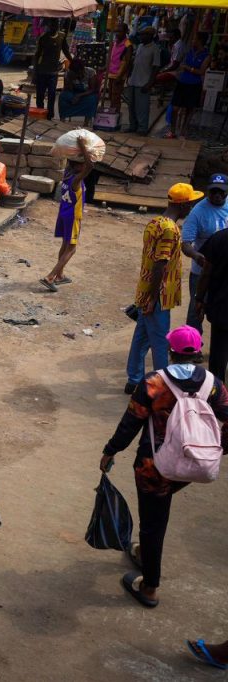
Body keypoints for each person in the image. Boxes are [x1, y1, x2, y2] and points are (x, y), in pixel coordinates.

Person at [101, 325, 228, 609]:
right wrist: (219, 448)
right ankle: (147, 554)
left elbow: (130, 423)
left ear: (170, 352)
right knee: (160, 510)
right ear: (198, 352)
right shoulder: (213, 383)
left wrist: (110, 451)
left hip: (153, 467)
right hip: (191, 464)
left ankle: (149, 586)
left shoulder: (153, 383)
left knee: (153, 524)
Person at [125, 183, 201, 394]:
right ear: (184, 205)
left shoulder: (155, 222)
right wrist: (152, 299)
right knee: (160, 340)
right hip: (157, 294)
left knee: (141, 337)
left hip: (147, 289)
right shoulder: (170, 229)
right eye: (191, 204)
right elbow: (160, 264)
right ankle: (164, 385)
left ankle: (134, 378)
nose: (192, 208)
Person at [39, 137, 92, 292]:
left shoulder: (67, 175)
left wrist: (78, 148)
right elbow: (90, 166)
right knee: (72, 249)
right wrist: (82, 146)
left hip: (63, 214)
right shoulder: (76, 180)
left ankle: (60, 275)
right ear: (79, 167)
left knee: (65, 244)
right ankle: (50, 276)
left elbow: (79, 164)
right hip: (73, 217)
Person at [182, 173, 228, 335]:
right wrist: (196, 256)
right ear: (208, 191)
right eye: (213, 191)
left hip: (224, 272)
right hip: (202, 271)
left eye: (221, 192)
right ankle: (191, 346)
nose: (217, 195)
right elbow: (185, 244)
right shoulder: (197, 212)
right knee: (197, 307)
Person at [170, 33, 210, 140]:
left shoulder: (206, 55)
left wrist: (188, 68)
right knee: (175, 108)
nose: (192, 41)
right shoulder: (189, 51)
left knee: (189, 109)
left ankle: (183, 130)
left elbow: (201, 71)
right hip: (182, 82)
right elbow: (181, 64)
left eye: (194, 39)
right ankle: (172, 130)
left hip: (194, 85)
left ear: (200, 41)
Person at [124, 26, 161, 135]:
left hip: (144, 82)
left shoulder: (155, 49)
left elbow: (156, 67)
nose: (142, 36)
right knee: (131, 106)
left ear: (150, 36)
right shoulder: (140, 46)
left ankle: (142, 128)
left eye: (144, 34)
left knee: (142, 107)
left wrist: (150, 83)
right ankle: (133, 126)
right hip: (133, 80)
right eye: (141, 34)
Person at [32, 20, 71, 120]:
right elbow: (37, 56)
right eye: (51, 25)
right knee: (40, 94)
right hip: (42, 71)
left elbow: (66, 50)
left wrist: (72, 61)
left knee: (52, 94)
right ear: (48, 26)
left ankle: (49, 115)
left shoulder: (62, 36)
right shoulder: (43, 38)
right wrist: (35, 72)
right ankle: (40, 112)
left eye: (55, 25)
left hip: (53, 72)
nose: (53, 27)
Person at [58, 58, 100, 125]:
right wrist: (70, 80)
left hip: (86, 94)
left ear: (82, 69)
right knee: (63, 96)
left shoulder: (90, 72)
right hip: (73, 92)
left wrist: (79, 96)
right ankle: (62, 119)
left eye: (78, 72)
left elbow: (92, 89)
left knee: (92, 99)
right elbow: (67, 89)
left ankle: (86, 122)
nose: (77, 74)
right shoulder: (68, 74)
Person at [106, 23, 132, 115]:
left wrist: (120, 76)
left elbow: (127, 62)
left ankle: (115, 115)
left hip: (119, 75)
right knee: (111, 96)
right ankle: (112, 113)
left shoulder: (127, 44)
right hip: (111, 73)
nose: (117, 33)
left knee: (116, 97)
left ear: (125, 32)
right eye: (116, 31)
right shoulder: (115, 42)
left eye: (119, 31)